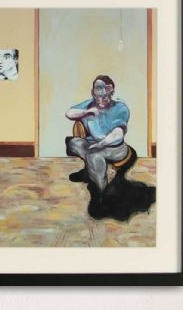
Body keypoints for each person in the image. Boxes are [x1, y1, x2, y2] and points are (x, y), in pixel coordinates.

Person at [64, 74, 155, 222]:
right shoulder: (89, 104)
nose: (101, 97)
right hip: (92, 144)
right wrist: (87, 112)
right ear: (93, 92)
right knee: (73, 143)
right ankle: (91, 171)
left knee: (94, 156)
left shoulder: (120, 108)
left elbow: (118, 134)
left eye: (105, 92)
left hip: (114, 148)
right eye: (98, 91)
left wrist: (100, 144)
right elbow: (69, 113)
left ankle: (101, 193)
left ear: (111, 92)